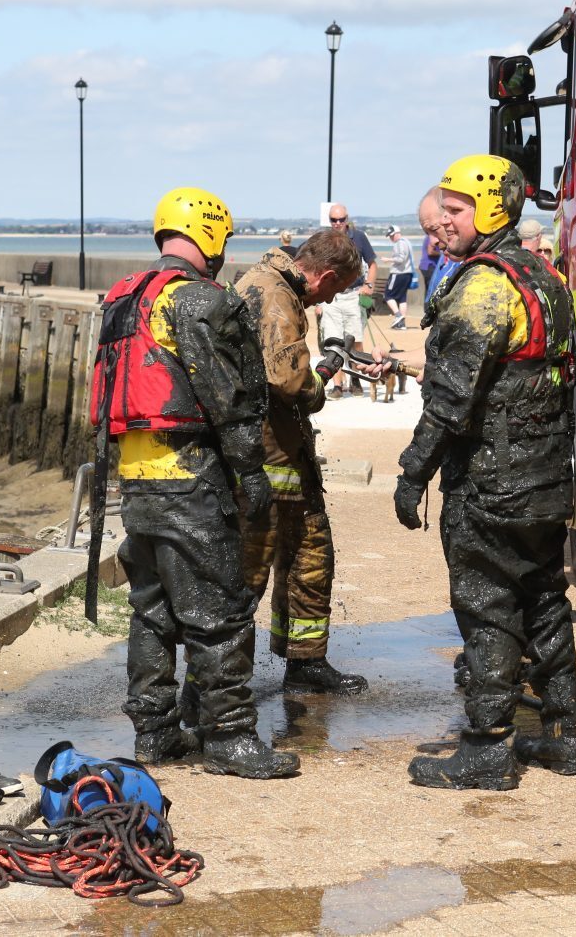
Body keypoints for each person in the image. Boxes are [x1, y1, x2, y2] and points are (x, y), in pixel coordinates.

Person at [394, 154, 576, 791]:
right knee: (545, 598)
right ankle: (562, 735)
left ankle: (487, 747)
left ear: (492, 210)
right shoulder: (540, 273)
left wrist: (413, 472)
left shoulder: (481, 286)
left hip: (492, 483)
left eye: (454, 210)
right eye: (441, 209)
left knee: (486, 606)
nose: (442, 222)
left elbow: (451, 399)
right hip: (548, 477)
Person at [96, 186, 298, 780]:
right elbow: (230, 400)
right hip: (189, 477)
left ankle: (155, 733)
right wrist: (250, 472)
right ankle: (230, 737)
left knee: (152, 611)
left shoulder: (124, 297)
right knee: (221, 614)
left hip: (136, 477)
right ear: (209, 234)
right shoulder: (200, 302)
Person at [233, 229, 376, 695]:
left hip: (283, 456)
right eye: (334, 290)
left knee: (310, 556)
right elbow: (291, 384)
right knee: (248, 575)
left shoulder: (263, 282)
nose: (326, 301)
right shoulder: (275, 297)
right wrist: (325, 373)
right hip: (266, 458)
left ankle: (306, 661)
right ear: (327, 275)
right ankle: (218, 686)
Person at [316, 204, 375, 398]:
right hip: (330, 297)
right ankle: (337, 386)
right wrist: (317, 302)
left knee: (356, 340)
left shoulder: (359, 237)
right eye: (334, 220)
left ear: (347, 219)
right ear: (329, 220)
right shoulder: (324, 240)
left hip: (353, 295)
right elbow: (315, 270)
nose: (338, 223)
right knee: (333, 342)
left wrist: (369, 285)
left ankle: (356, 378)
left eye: (341, 219)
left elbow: (372, 263)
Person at [383, 226, 414, 330]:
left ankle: (398, 316)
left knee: (388, 295)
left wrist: (388, 259)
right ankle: (402, 324)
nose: (391, 239)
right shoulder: (407, 242)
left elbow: (401, 259)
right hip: (407, 273)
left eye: (391, 236)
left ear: (396, 233)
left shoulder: (400, 243)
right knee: (402, 298)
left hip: (398, 273)